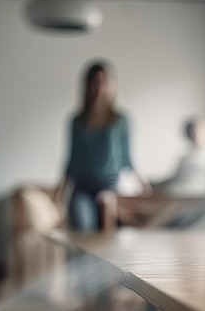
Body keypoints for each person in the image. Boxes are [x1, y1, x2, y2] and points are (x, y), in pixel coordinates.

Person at [57, 60, 149, 232]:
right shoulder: (77, 122)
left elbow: (127, 157)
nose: (99, 87)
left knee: (109, 231)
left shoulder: (121, 121)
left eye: (104, 81)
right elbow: (71, 159)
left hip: (110, 187)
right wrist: (59, 194)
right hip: (82, 188)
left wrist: (143, 184)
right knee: (84, 227)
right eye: (95, 81)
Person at [162, 116, 205, 197]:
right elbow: (174, 178)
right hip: (175, 194)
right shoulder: (185, 156)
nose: (197, 132)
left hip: (200, 197)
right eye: (193, 130)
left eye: (201, 128)